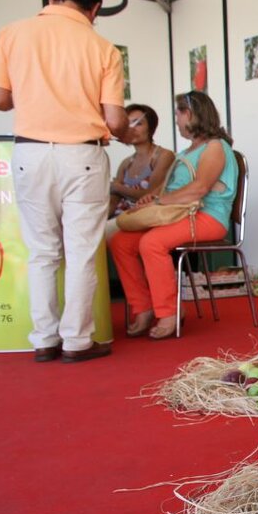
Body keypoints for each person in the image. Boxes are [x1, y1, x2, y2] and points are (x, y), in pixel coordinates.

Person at [0, 0, 127, 363]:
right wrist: (117, 131)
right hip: (82, 156)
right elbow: (115, 120)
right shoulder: (104, 49)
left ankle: (44, 340)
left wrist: (31, 98)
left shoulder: (13, 33)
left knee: (41, 252)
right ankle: (77, 341)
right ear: (95, 8)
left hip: (30, 154)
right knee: (81, 252)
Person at [108, 91, 237, 340]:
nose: (176, 120)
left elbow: (199, 188)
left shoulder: (215, 146)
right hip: (182, 214)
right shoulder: (187, 152)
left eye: (178, 114)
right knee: (121, 242)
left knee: (151, 242)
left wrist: (159, 200)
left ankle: (169, 312)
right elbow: (168, 188)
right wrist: (149, 199)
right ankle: (143, 307)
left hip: (208, 217)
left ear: (190, 114)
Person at [108, 104, 175, 225]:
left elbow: (151, 195)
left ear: (151, 127)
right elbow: (114, 198)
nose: (132, 129)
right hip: (119, 217)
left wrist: (118, 187)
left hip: (145, 217)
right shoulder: (126, 163)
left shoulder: (164, 156)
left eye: (138, 123)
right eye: (127, 124)